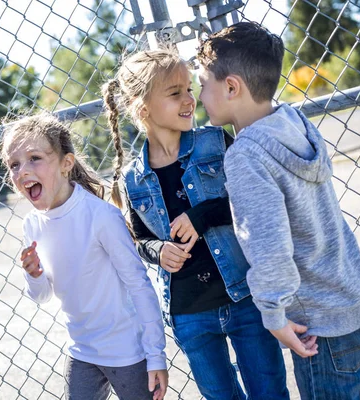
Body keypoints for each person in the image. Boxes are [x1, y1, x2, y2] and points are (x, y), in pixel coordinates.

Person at [197, 21, 360, 399]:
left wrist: (274, 315)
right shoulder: (293, 121)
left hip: (320, 325)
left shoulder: (246, 155)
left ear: (232, 86)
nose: (199, 95)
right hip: (358, 300)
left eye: (203, 84)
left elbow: (269, 244)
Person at [103, 48, 289, 399]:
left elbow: (251, 199)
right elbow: (140, 239)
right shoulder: (132, 179)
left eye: (190, 89)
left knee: (269, 392)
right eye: (175, 93)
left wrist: (201, 215)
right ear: (143, 109)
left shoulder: (216, 143)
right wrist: (160, 251)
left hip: (243, 297)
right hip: (190, 314)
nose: (190, 100)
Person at [0, 113, 168, 400]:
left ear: (67, 164)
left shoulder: (101, 216)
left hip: (126, 351)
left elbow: (139, 285)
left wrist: (156, 355)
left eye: (35, 158)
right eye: (14, 165)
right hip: (82, 351)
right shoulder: (32, 224)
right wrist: (35, 274)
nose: (22, 171)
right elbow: (42, 296)